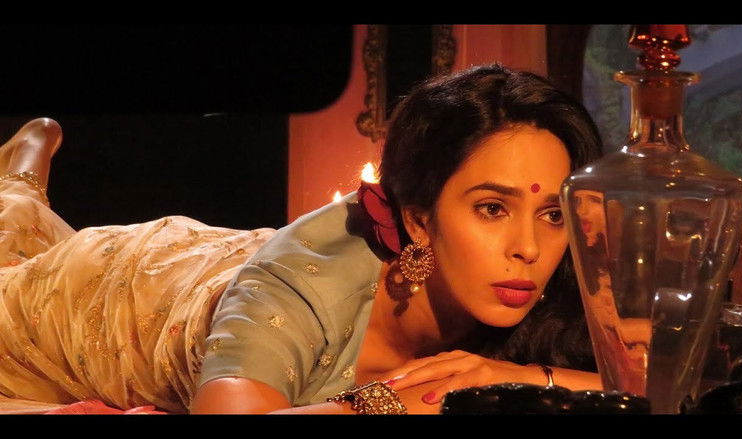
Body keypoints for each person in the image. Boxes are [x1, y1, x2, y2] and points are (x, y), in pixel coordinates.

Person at [0, 64, 603, 415]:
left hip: (225, 257)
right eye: (493, 208)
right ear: (420, 220)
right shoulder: (300, 288)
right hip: (111, 292)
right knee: (14, 255)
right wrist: (389, 403)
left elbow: (645, 378)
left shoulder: (536, 275)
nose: (529, 248)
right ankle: (23, 172)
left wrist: (512, 377)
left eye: (552, 214)